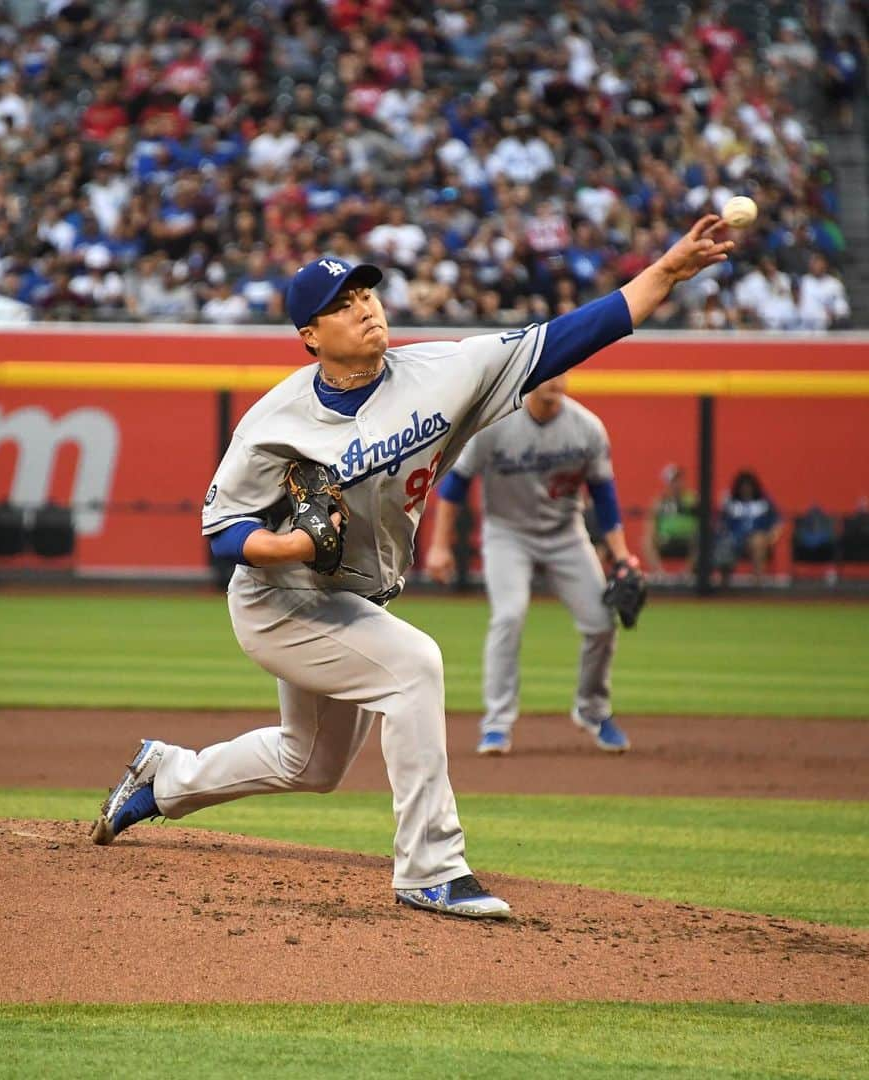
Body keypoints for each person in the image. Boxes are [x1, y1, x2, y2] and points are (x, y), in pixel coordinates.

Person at [90, 214, 735, 921]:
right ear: (309, 337)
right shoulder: (275, 420)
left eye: (366, 293)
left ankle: (163, 776)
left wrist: (667, 271)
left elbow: (571, 335)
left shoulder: (444, 372)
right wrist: (288, 547)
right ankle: (431, 868)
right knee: (415, 667)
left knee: (310, 764)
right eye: (341, 304)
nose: (364, 307)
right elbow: (222, 530)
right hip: (278, 602)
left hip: (353, 600)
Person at [425, 376, 637, 756]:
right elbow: (454, 487)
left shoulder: (586, 428)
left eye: (564, 372)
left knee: (602, 622)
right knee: (508, 615)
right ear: (530, 378)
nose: (556, 380)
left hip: (565, 534)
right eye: (549, 372)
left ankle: (592, 710)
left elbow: (605, 498)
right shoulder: (495, 424)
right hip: (507, 533)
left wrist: (621, 557)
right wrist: (439, 546)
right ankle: (497, 724)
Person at [714, 469, 782, 585]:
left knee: (758, 540)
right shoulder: (730, 502)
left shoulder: (764, 502)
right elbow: (720, 523)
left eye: (748, 486)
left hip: (755, 539)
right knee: (724, 542)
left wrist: (772, 536)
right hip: (734, 539)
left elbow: (778, 522)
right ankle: (724, 584)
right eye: (743, 486)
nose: (746, 489)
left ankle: (758, 581)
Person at [642, 463, 699, 574]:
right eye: (673, 481)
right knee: (646, 541)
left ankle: (687, 575)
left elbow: (702, 523)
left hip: (688, 540)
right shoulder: (659, 502)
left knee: (701, 540)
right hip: (666, 540)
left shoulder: (693, 499)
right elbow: (650, 524)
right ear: (667, 483)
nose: (677, 484)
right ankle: (660, 574)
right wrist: (655, 535)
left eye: (679, 480)